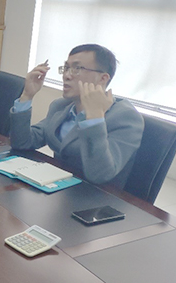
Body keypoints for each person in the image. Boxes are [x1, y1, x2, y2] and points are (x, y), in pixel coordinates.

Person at [9, 44, 144, 189]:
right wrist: (27, 96)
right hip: (57, 188)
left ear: (102, 78)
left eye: (77, 69)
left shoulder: (125, 117)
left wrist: (94, 118)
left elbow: (100, 174)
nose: (67, 75)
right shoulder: (61, 106)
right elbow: (22, 143)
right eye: (66, 68)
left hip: (97, 196)